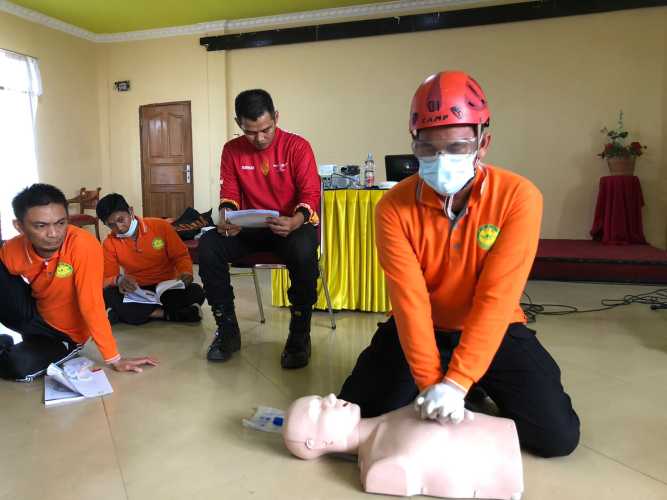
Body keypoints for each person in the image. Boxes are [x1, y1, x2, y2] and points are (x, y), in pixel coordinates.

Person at [338, 71, 580, 458]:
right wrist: (430, 381)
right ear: (413, 144)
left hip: (494, 327)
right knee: (357, 412)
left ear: (483, 143)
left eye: (457, 147)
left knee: (556, 438)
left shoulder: (519, 197)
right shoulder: (392, 208)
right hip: (421, 327)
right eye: (428, 150)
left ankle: (474, 380)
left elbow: (497, 298)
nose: (441, 160)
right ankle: (463, 378)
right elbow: (409, 301)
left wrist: (456, 384)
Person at [198, 89, 321, 368]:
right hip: (249, 230)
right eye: (251, 132)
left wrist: (295, 221)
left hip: (291, 227)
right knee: (208, 247)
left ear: (276, 117)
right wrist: (226, 217)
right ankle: (227, 331)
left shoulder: (297, 146)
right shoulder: (232, 150)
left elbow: (311, 194)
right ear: (239, 123)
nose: (260, 138)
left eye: (266, 129)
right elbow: (228, 193)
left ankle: (299, 334)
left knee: (303, 249)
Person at [0, 184, 158, 381]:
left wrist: (114, 358)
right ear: (20, 226)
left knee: (17, 366)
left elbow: (91, 303)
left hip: (63, 334)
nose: (54, 233)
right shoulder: (13, 249)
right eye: (41, 226)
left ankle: (9, 345)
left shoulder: (82, 245)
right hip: (32, 311)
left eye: (60, 223)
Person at [283, 394, 523, 500]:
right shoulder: (381, 467)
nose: (331, 398)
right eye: (318, 409)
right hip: (506, 468)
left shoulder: (387, 420)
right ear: (316, 443)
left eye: (321, 398)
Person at [96, 193, 205, 325]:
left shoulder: (160, 226)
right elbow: (108, 276)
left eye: (121, 219)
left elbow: (180, 255)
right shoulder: (109, 244)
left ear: (130, 211)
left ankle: (131, 315)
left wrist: (186, 272)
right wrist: (118, 280)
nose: (119, 228)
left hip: (167, 287)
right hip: (137, 290)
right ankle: (168, 314)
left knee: (197, 292)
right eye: (111, 225)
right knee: (108, 294)